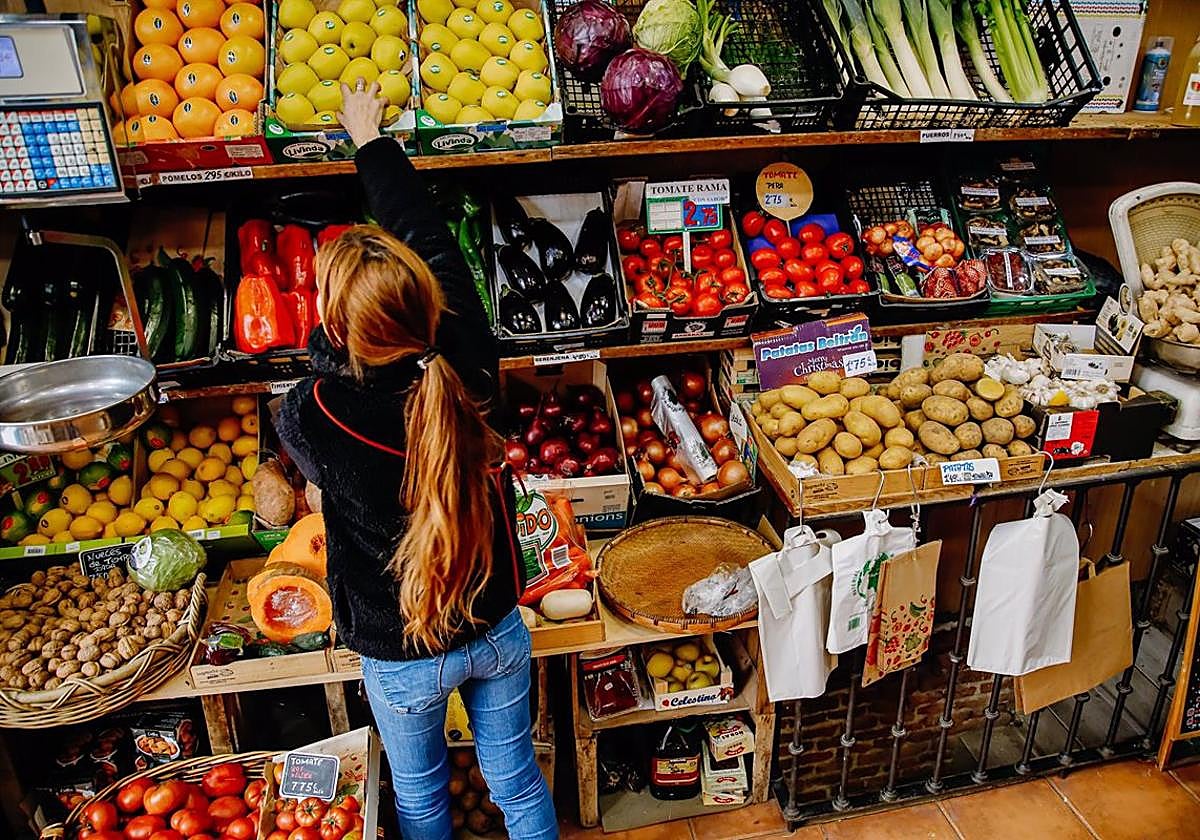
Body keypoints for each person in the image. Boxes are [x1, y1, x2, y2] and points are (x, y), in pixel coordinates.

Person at [274, 79, 556, 840]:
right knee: (518, 781)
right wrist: (372, 142)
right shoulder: (463, 354)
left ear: (336, 325)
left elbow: (312, 405)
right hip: (496, 625)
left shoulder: (313, 412)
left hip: (403, 652)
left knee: (422, 797)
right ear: (425, 300)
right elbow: (425, 232)